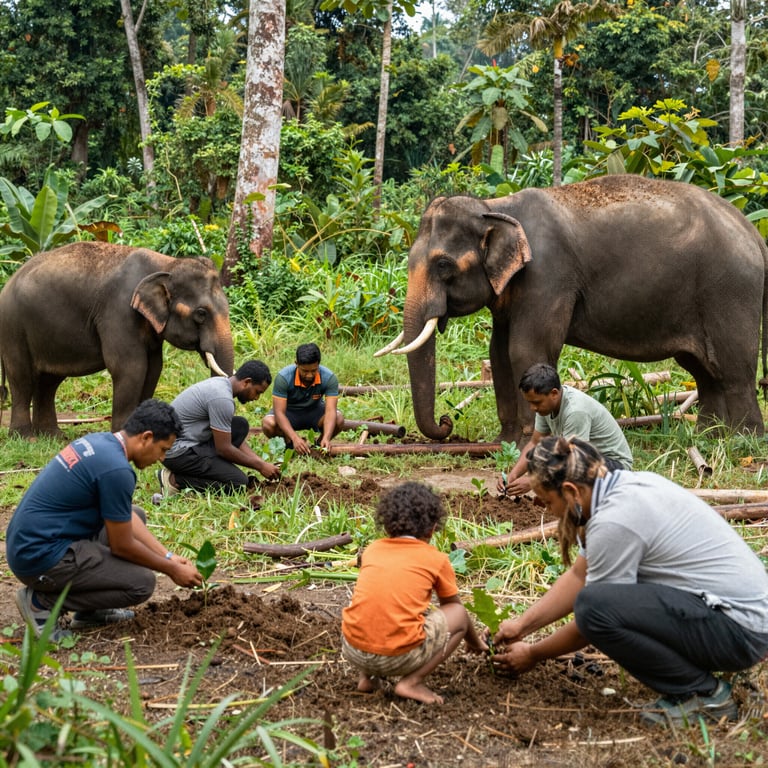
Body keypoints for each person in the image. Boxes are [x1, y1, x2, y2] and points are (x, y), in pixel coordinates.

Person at [490, 435, 768, 727]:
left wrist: (533, 653)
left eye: (548, 501)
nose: (548, 510)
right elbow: (579, 576)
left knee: (593, 609)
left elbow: (592, 619)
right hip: (739, 619)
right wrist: (522, 625)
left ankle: (704, 696)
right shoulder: (617, 488)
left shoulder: (615, 520)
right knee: (596, 602)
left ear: (571, 491)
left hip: (741, 631)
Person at [6, 399, 203, 641]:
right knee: (141, 583)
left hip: (33, 541)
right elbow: (123, 546)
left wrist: (168, 555)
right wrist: (170, 569)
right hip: (39, 556)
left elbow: (127, 517)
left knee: (136, 514)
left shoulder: (102, 442)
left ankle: (91, 611)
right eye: (163, 449)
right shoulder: (117, 470)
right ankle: (41, 601)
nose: (161, 458)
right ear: (146, 437)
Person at [341, 481, 487, 704]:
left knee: (376, 608)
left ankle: (367, 678)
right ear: (432, 528)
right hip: (398, 658)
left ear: (388, 525)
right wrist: (475, 642)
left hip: (353, 649)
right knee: (457, 613)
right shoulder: (435, 559)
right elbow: (455, 609)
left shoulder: (372, 550)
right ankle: (412, 682)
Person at [497, 363, 633, 497]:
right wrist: (513, 475)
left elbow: (574, 460)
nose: (533, 408)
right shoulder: (545, 406)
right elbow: (535, 443)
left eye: (536, 402)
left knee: (564, 477)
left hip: (615, 466)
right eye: (530, 403)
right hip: (586, 458)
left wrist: (534, 481)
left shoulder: (575, 411)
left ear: (554, 393)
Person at [159, 360, 281, 496]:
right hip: (177, 453)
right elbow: (223, 449)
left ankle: (198, 469)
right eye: (257, 392)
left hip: (188, 441)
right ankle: (174, 480)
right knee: (239, 484)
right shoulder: (222, 399)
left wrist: (261, 462)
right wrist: (260, 466)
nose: (257, 398)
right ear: (246, 382)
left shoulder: (221, 384)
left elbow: (232, 440)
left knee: (239, 425)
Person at [261, 342, 344, 455]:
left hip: (315, 412)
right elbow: (279, 413)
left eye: (313, 370)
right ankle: (289, 444)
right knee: (268, 424)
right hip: (289, 414)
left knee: (338, 419)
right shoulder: (284, 378)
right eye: (305, 371)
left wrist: (327, 437)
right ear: (296, 364)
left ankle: (320, 444)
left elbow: (330, 411)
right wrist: (295, 438)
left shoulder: (329, 378)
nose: (309, 375)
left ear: (318, 365)